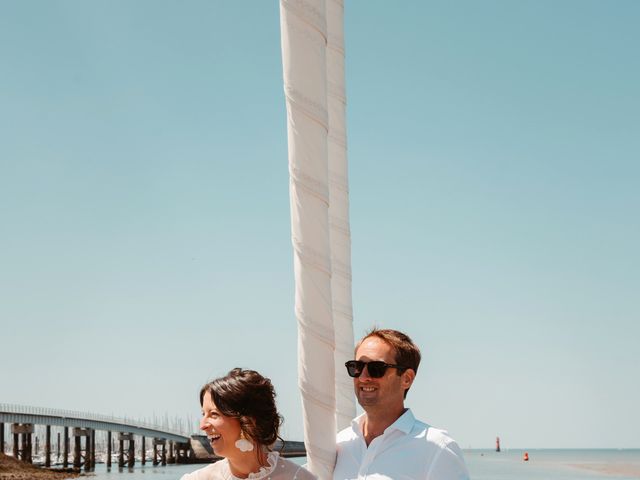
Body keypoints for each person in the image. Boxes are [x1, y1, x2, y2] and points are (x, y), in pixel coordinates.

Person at [333, 329, 470, 480]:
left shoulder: (437, 448)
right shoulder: (339, 444)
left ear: (407, 378)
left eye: (376, 368)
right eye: (357, 367)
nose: (364, 377)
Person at [181, 368, 315, 480]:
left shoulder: (298, 477)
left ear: (248, 421)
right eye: (203, 414)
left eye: (214, 414)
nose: (202, 425)